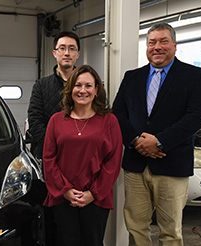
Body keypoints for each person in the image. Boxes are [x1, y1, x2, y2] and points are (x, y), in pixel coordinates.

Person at [112, 22, 201, 246]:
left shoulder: (194, 76)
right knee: (136, 227)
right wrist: (137, 141)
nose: (157, 47)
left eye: (163, 41)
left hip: (172, 164)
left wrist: (160, 141)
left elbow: (196, 117)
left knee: (170, 231)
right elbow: (117, 113)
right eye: (152, 42)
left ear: (174, 45)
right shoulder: (132, 77)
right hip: (135, 165)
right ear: (146, 47)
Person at [43, 65, 123, 246]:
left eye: (88, 86)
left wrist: (93, 193)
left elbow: (113, 161)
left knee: (92, 242)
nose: (83, 91)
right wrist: (65, 191)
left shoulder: (109, 121)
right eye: (78, 85)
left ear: (96, 90)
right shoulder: (56, 120)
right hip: (62, 197)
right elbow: (49, 159)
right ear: (70, 89)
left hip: (95, 199)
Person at [27, 31, 80, 160]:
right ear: (54, 53)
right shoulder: (41, 85)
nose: (67, 53)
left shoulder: (86, 86)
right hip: (48, 155)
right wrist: (54, 146)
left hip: (79, 153)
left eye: (71, 49)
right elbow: (35, 120)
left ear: (77, 54)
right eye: (62, 48)